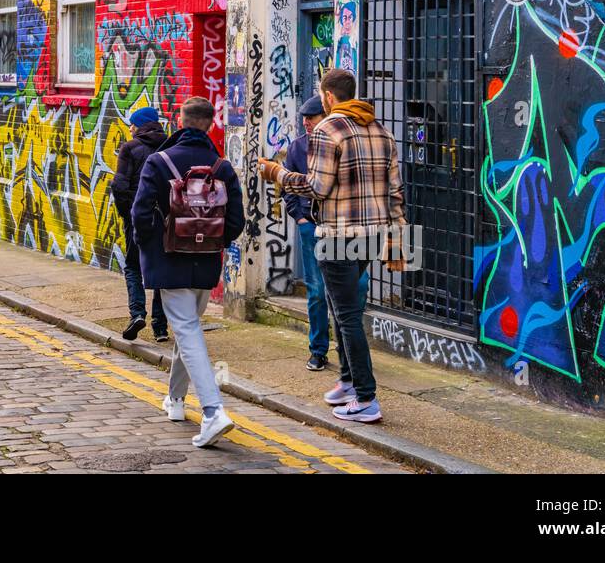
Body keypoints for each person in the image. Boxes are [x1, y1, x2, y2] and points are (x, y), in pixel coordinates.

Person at [259, 68, 405, 425]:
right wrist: (397, 239)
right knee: (344, 309)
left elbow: (317, 188)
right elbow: (396, 191)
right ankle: (347, 382)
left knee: (348, 315)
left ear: (327, 97)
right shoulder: (381, 131)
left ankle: (366, 398)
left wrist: (276, 173)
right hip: (372, 234)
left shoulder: (328, 130)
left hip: (338, 235)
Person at [131, 96, 245, 448]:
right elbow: (236, 221)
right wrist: (210, 242)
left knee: (188, 331)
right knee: (188, 328)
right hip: (206, 263)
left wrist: (152, 246)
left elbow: (140, 213)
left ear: (180, 120)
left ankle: (213, 411)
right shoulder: (222, 167)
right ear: (211, 124)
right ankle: (176, 401)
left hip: (170, 261)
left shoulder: (159, 161)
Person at [283, 94, 370, 372]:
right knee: (317, 291)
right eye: (304, 119)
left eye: (312, 117)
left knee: (357, 286)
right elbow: (289, 187)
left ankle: (346, 348)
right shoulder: (298, 147)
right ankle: (318, 349)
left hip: (345, 226)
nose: (307, 123)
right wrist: (299, 217)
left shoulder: (345, 142)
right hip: (312, 226)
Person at [110, 106, 169, 343]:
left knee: (133, 265)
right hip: (165, 219)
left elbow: (120, 186)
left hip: (138, 217)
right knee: (162, 271)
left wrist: (128, 214)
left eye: (133, 124)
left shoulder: (130, 148)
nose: (130, 128)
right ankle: (160, 327)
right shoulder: (170, 146)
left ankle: (137, 314)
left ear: (141, 124)